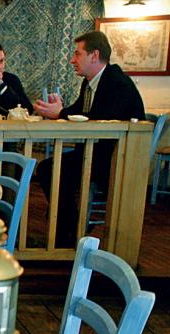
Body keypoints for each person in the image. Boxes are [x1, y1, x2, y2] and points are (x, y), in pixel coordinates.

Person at [33, 30, 145, 247]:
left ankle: (69, 233)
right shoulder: (90, 82)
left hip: (117, 160)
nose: (72, 60)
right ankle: (71, 229)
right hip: (94, 153)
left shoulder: (117, 83)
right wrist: (59, 110)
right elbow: (78, 111)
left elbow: (100, 121)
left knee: (53, 170)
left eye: (77, 54)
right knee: (49, 168)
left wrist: (60, 113)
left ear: (94, 55)